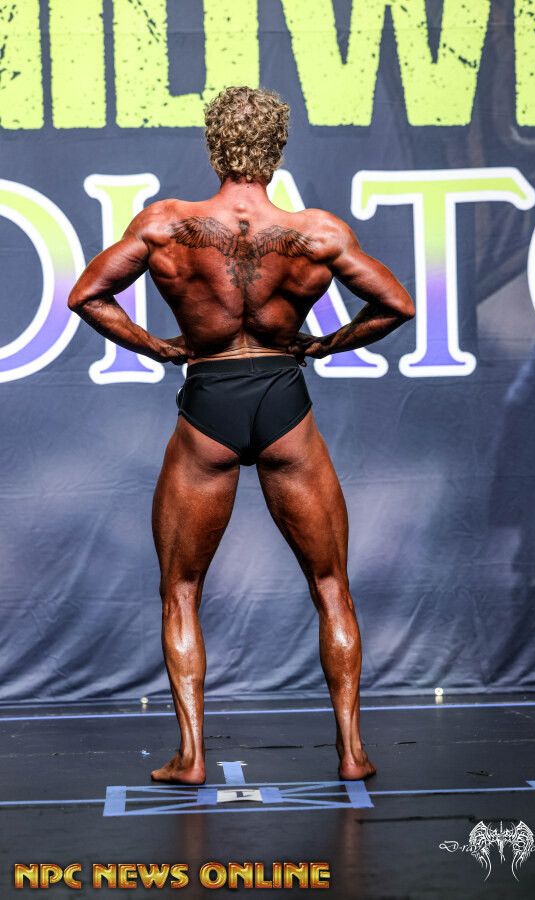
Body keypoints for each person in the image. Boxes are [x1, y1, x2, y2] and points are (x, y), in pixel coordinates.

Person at [68, 86, 415, 784]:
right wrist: (324, 344)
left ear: (213, 148)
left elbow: (86, 296)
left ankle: (192, 756)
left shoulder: (166, 224)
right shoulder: (316, 233)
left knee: (181, 590)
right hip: (285, 403)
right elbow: (396, 306)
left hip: (209, 406)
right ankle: (352, 752)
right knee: (331, 585)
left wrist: (158, 348)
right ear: (277, 150)